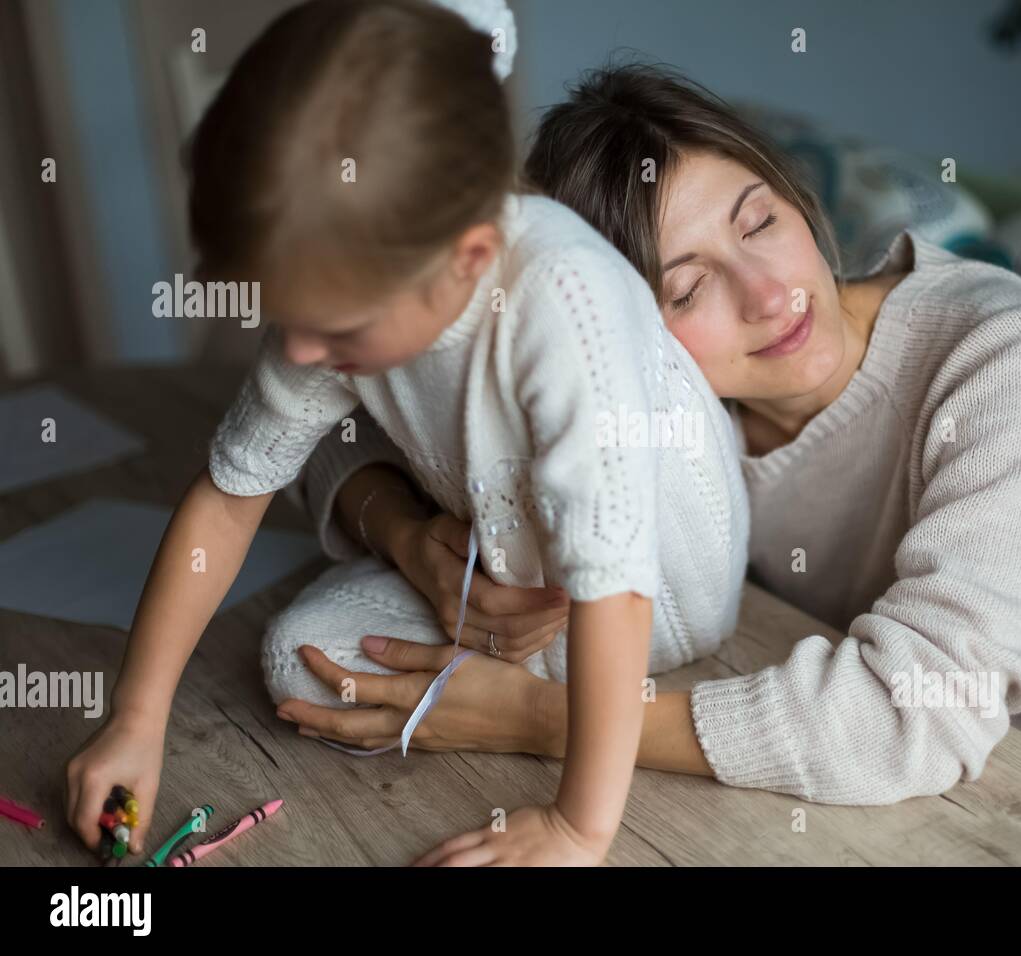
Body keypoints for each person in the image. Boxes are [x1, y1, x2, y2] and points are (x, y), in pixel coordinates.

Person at [275, 62, 1021, 821]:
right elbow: (330, 424)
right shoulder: (657, 408)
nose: (767, 293)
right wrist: (404, 532)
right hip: (806, 734)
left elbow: (925, 712)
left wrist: (544, 720)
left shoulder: (1000, 354)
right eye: (686, 289)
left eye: (758, 221)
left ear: (792, 195)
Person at [64, 3, 747, 868]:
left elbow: (619, 587)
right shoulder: (349, 281)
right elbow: (229, 497)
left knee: (403, 661)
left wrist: (578, 827)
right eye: (287, 316)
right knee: (299, 662)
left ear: (465, 259)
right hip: (511, 567)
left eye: (335, 331)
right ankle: (497, 680)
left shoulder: (568, 300)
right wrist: (135, 718)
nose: (303, 352)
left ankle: (545, 713)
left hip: (655, 593)